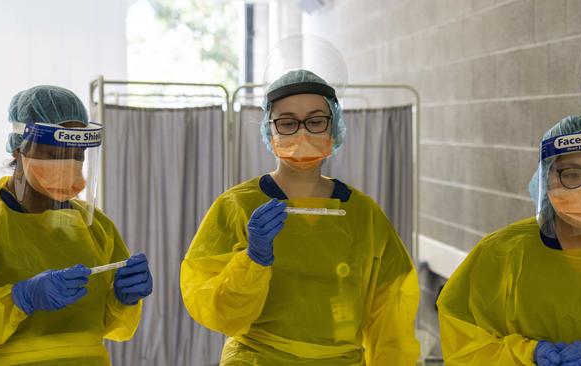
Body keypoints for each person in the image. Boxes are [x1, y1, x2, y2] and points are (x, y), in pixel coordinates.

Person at [180, 69, 420, 365]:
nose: (303, 133)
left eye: (316, 121)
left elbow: (391, 316)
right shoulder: (238, 206)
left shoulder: (365, 215)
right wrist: (252, 262)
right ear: (269, 130)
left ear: (334, 128)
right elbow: (215, 311)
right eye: (288, 123)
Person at [0, 85, 153, 365]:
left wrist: (122, 299)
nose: (68, 165)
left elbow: (113, 328)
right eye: (55, 154)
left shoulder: (95, 225)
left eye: (77, 156)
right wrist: (18, 299)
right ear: (20, 148)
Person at [437, 115, 581, 366]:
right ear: (547, 178)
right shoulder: (502, 252)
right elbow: (464, 344)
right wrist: (526, 355)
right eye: (572, 174)